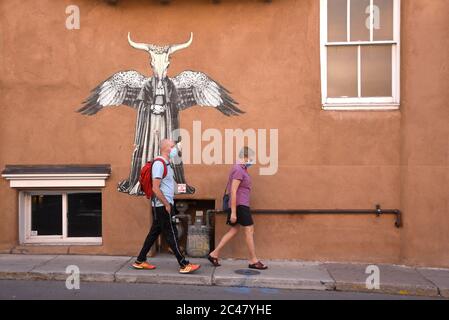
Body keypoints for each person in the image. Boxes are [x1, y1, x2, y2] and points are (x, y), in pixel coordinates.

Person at [132, 139, 201, 274]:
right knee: (172, 234)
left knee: (153, 234)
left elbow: (167, 185)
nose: (175, 149)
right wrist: (166, 204)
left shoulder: (167, 164)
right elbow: (155, 188)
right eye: (173, 146)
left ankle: (139, 261)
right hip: (162, 205)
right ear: (166, 149)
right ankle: (184, 264)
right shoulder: (159, 164)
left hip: (163, 205)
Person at [207, 147, 268, 270]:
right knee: (249, 230)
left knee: (234, 230)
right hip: (240, 205)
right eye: (251, 158)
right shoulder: (238, 169)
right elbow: (233, 191)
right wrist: (233, 212)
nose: (252, 161)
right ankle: (253, 260)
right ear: (245, 157)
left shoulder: (242, 169)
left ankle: (214, 254)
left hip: (240, 204)